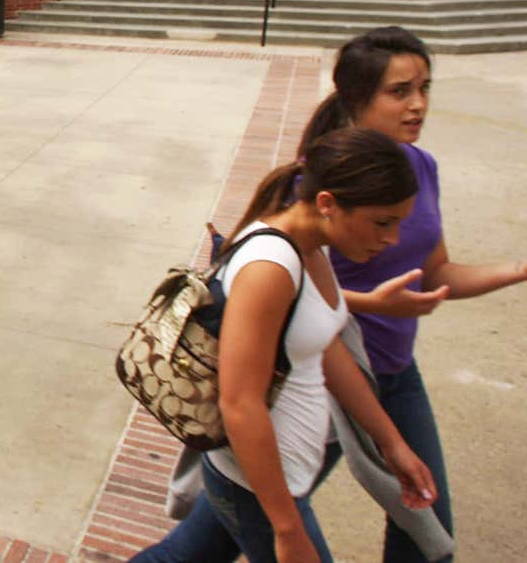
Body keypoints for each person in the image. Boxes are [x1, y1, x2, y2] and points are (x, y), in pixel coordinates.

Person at [150, 26, 527, 563]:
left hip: (379, 378)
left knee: (426, 538)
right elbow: (251, 384)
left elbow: (382, 295)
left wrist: (524, 267)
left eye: (425, 88)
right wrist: (288, 527)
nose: (418, 105)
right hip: (295, 412)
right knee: (198, 549)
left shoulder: (412, 173)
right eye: (400, 91)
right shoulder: (297, 224)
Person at [136, 129, 438, 563]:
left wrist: (392, 443)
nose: (391, 239)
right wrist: (287, 526)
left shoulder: (313, 244)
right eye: (382, 222)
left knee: (180, 558)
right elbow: (240, 404)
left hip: (273, 478)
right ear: (328, 204)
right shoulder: (271, 268)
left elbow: (325, 349)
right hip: (257, 483)